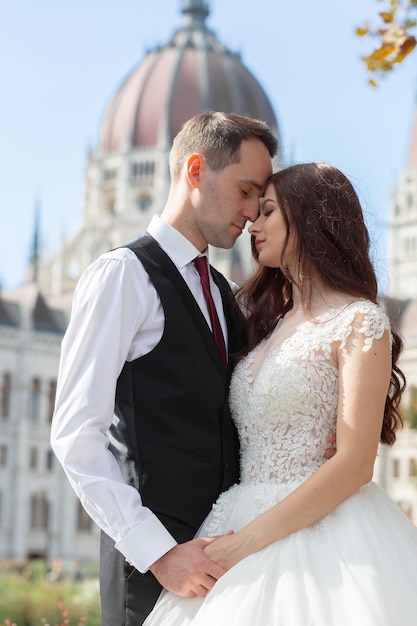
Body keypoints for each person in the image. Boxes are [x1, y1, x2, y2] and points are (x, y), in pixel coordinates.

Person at [143, 162, 417, 626]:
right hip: (233, 518)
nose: (253, 221)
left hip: (324, 536)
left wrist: (243, 544)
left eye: (268, 210)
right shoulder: (261, 322)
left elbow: (354, 463)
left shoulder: (359, 321)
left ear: (310, 218)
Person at [50, 111, 278, 625]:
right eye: (245, 191)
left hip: (232, 571)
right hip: (153, 574)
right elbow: (75, 434)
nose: (251, 213)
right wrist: (158, 554)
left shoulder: (222, 294)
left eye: (260, 200)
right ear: (195, 171)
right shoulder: (121, 276)